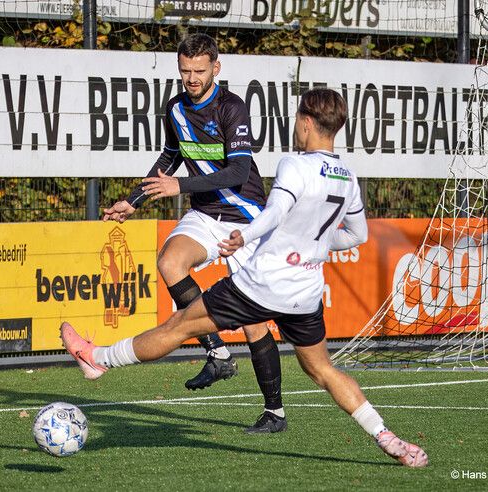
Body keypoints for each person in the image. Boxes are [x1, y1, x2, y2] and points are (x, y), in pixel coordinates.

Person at [63, 88, 429, 467]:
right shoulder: (347, 177)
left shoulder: (294, 165)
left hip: (263, 284)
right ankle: (387, 437)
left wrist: (245, 236)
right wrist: (308, 245)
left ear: (305, 122)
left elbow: (272, 214)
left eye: (296, 119)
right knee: (322, 369)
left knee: (179, 325)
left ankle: (97, 358)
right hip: (305, 291)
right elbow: (358, 236)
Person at [101, 33, 286, 433]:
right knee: (170, 262)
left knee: (254, 323)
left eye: (199, 71)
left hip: (244, 216)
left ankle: (275, 413)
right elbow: (171, 156)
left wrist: (179, 188)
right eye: (185, 71)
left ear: (216, 68)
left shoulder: (231, 108)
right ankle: (217, 352)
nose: (191, 78)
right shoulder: (175, 108)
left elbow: (238, 172)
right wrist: (134, 201)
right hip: (205, 213)